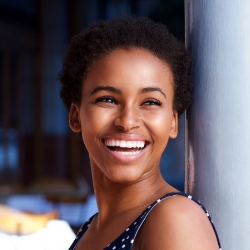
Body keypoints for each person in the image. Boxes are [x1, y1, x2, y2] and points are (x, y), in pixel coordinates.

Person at [59, 16, 221, 250]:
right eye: (107, 99)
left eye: (151, 102)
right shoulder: (91, 229)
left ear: (173, 122)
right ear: (76, 116)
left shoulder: (174, 218)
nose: (127, 121)